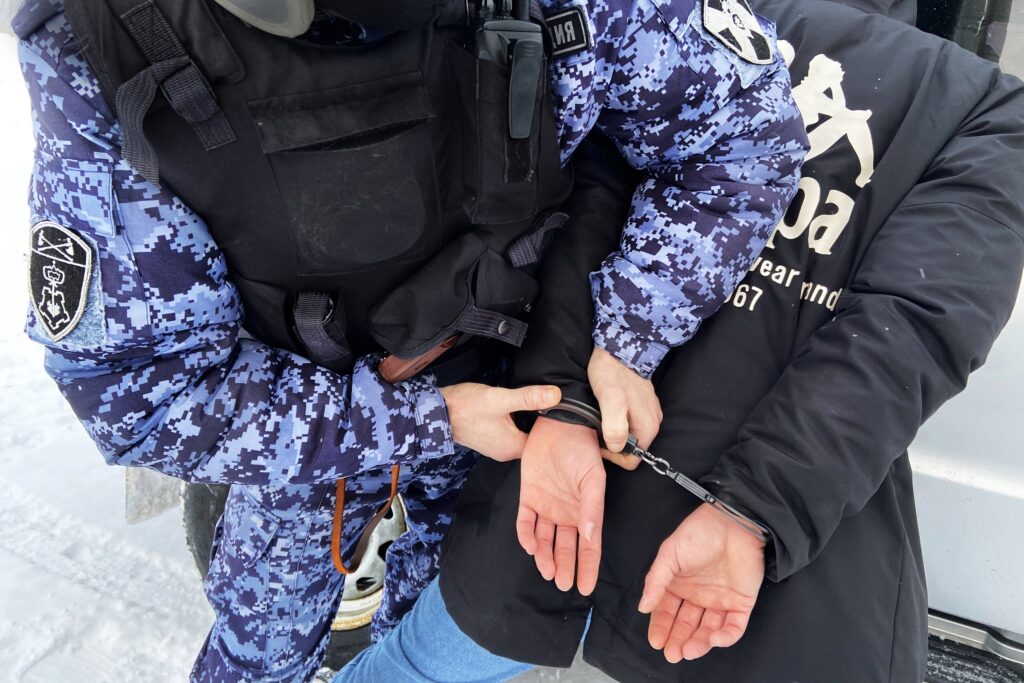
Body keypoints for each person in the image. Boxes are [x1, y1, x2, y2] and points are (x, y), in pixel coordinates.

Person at [14, 0, 804, 680]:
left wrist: (625, 336)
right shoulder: (102, 41)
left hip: (514, 381)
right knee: (260, 641)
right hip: (306, 412)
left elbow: (745, 137)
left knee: (437, 628)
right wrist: (423, 416)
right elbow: (138, 394)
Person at [333, 0, 1024, 680]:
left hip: (560, 498)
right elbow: (904, 337)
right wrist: (755, 509)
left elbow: (589, 193)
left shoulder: (703, 13)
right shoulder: (992, 112)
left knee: (419, 664)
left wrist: (566, 399)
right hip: (731, 571)